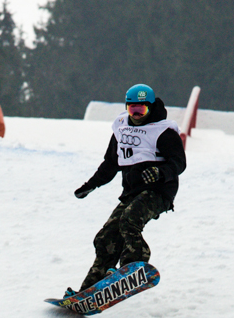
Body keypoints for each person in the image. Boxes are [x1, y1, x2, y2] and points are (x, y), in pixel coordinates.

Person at [65, 84, 187, 297]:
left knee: (130, 219)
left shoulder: (163, 131)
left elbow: (179, 163)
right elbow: (110, 163)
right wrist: (90, 185)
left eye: (142, 110)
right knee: (105, 238)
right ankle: (88, 291)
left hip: (160, 191)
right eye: (133, 110)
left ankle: (135, 264)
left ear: (151, 108)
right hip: (133, 191)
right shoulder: (122, 128)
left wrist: (160, 172)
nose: (137, 115)